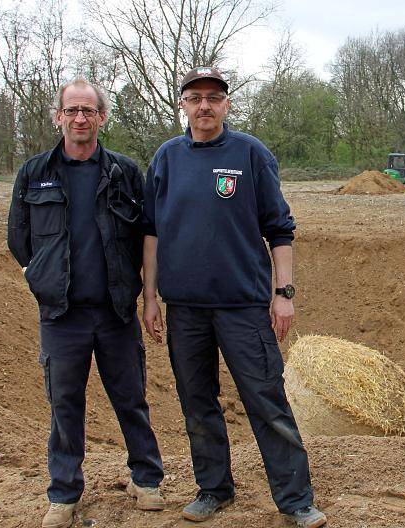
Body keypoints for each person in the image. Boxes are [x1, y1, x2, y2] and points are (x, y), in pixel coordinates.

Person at [141, 66, 327, 528]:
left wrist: (283, 294)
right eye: (195, 98)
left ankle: (296, 500)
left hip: (243, 307)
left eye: (213, 97)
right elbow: (151, 232)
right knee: (197, 403)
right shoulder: (166, 158)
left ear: (227, 104)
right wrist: (150, 296)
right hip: (186, 309)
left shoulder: (250, 153)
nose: (204, 106)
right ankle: (213, 489)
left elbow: (279, 229)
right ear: (182, 105)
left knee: (266, 399)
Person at [7, 79, 165, 528]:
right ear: (58, 116)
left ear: (102, 118)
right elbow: (18, 238)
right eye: (72, 110)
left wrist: (147, 296)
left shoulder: (124, 172)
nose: (80, 118)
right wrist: (44, 277)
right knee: (65, 405)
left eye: (89, 111)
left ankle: (146, 480)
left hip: (115, 311)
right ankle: (64, 494)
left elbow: (146, 235)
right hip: (62, 315)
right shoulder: (34, 172)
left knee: (131, 399)